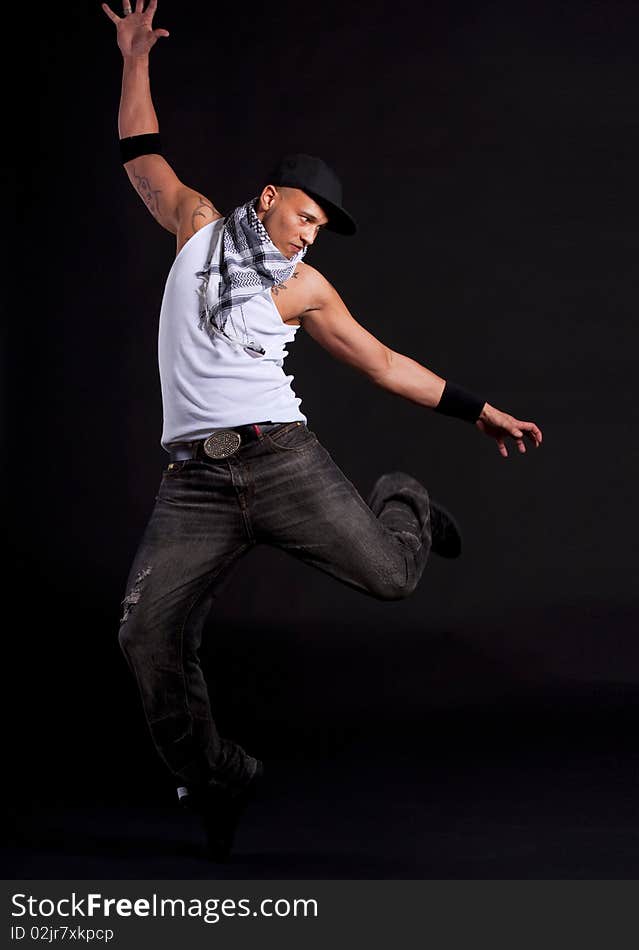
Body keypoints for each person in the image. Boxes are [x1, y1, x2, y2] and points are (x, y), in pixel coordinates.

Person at [103, 0, 543, 861]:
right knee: (143, 631)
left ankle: (404, 497)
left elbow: (381, 363)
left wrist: (477, 407)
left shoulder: (307, 290)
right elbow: (139, 152)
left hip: (280, 461)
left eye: (322, 231)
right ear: (269, 198)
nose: (311, 237)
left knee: (390, 579)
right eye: (306, 217)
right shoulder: (193, 227)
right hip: (194, 483)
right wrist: (132, 58)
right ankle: (219, 772)